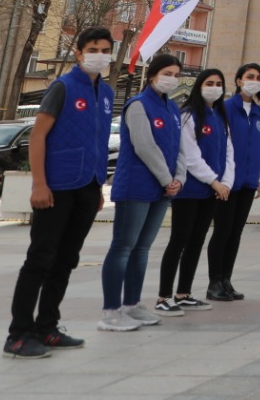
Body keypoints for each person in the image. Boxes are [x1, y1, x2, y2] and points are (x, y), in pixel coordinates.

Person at [5, 27, 115, 358]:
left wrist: (97, 187)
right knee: (40, 258)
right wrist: (39, 183)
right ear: (79, 53)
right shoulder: (63, 87)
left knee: (67, 259)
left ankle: (47, 326)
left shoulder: (106, 93)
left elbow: (96, 142)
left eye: (106, 49)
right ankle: (18, 333)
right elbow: (37, 136)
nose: (100, 54)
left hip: (87, 186)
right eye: (93, 48)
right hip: (56, 187)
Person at [100, 52, 184, 331]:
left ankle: (132, 304)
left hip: (163, 189)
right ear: (152, 76)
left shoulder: (172, 108)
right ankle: (111, 311)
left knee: (142, 248)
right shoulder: (138, 105)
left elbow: (179, 148)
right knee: (123, 247)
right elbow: (144, 146)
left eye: (175, 75)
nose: (171, 79)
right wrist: (166, 179)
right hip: (137, 186)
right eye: (167, 73)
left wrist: (178, 179)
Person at [155, 69, 233, 316]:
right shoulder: (189, 115)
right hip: (191, 190)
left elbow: (229, 153)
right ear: (199, 86)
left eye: (219, 84)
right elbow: (190, 156)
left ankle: (184, 293)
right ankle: (164, 296)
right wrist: (214, 182)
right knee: (179, 241)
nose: (215, 87)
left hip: (213, 190)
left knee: (197, 242)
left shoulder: (220, 116)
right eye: (209, 83)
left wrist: (226, 183)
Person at [204, 62, 260, 302]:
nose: (254, 80)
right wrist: (219, 178)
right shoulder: (226, 108)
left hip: (249, 181)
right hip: (227, 181)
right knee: (222, 230)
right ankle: (214, 282)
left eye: (258, 77)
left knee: (236, 232)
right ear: (239, 80)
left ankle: (227, 280)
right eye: (249, 76)